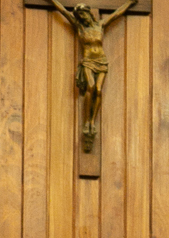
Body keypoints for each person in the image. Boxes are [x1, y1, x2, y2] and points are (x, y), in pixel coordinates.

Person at [48, 0, 137, 150]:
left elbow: (117, 14)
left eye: (83, 14)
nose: (82, 17)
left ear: (88, 13)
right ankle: (86, 122)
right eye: (79, 16)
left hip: (101, 62)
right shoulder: (80, 27)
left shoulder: (100, 25)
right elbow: (63, 11)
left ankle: (91, 121)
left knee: (98, 90)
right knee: (90, 87)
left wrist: (130, 3)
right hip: (88, 61)